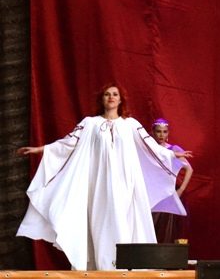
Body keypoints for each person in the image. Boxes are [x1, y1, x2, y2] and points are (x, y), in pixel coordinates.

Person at [16, 84, 190, 270]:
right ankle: (103, 268)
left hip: (126, 184)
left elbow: (150, 146)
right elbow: (68, 143)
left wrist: (172, 154)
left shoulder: (131, 124)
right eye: (107, 94)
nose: (111, 97)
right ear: (102, 99)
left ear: (121, 99)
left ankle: (123, 268)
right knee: (101, 223)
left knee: (123, 222)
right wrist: (40, 149)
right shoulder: (90, 124)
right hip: (99, 185)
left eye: (115, 94)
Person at [150, 117, 194, 243]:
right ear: (153, 132)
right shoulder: (149, 149)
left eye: (164, 132)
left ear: (168, 133)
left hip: (169, 192)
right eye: (158, 131)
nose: (161, 135)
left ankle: (166, 253)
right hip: (153, 191)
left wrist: (181, 190)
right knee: (152, 225)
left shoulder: (173, 149)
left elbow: (189, 169)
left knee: (168, 226)